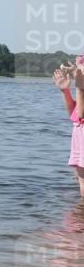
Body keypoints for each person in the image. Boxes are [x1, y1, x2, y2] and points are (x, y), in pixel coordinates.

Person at [53, 56, 84, 198]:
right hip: (79, 133)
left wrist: (79, 81)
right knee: (80, 180)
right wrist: (65, 90)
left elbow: (81, 112)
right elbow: (75, 114)